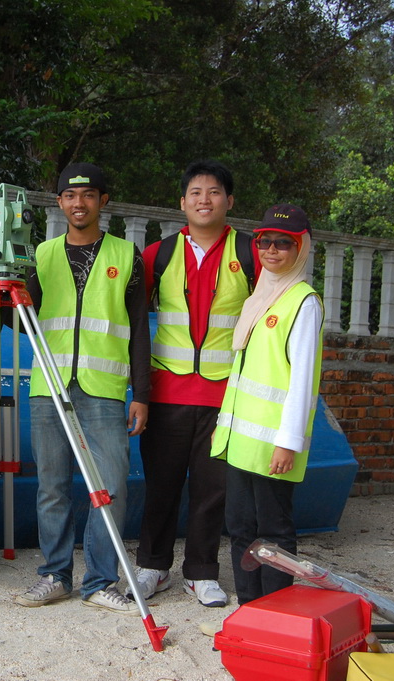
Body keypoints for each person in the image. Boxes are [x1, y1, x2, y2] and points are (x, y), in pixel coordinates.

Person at [0, 162, 150, 614]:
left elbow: (139, 328)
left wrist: (142, 394)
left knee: (111, 486)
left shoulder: (126, 255)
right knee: (51, 487)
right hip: (48, 385)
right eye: (70, 196)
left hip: (104, 388)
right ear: (59, 202)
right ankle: (55, 575)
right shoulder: (41, 254)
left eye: (89, 195)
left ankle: (100, 581)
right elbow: (23, 321)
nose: (79, 203)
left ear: (103, 201)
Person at [130, 160, 260, 608]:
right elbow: (134, 322)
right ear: (182, 202)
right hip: (166, 392)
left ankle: (202, 572)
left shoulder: (251, 253)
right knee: (161, 484)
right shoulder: (158, 254)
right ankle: (153, 565)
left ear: (230, 200)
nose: (205, 200)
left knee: (212, 489)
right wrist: (140, 390)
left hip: (225, 395)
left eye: (214, 192)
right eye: (196, 193)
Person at [211, 203, 323, 605]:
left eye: (283, 243)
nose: (271, 250)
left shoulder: (303, 302)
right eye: (264, 241)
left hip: (273, 444)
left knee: (273, 531)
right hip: (242, 440)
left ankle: (275, 614)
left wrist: (287, 443)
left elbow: (302, 381)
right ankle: (249, 611)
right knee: (240, 527)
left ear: (301, 248)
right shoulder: (260, 297)